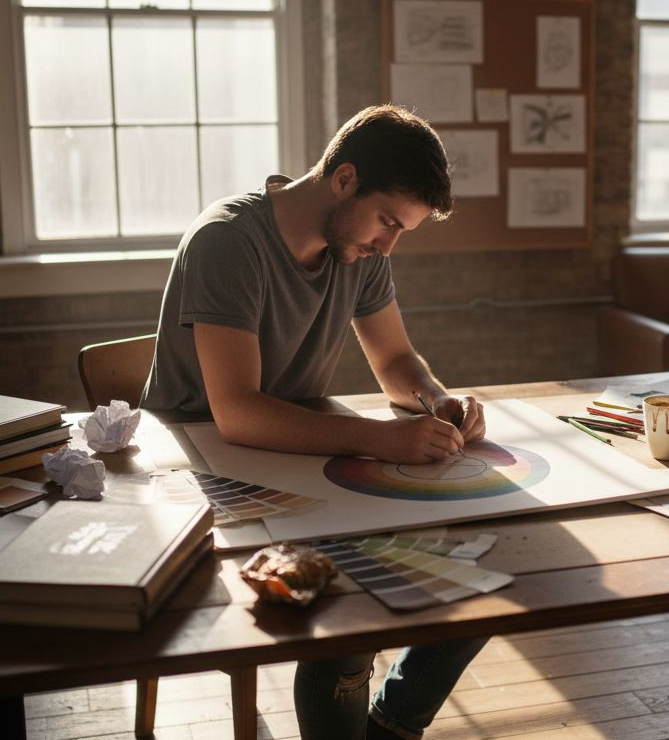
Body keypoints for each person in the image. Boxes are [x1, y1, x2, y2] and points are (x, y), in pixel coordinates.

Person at [141, 104, 487, 740]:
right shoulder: (228, 241)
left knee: (479, 573)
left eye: (401, 231)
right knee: (350, 612)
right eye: (387, 222)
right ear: (344, 178)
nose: (387, 244)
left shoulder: (358, 248)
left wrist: (435, 399)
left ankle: (391, 725)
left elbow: (395, 360)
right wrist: (381, 437)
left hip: (297, 459)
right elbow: (238, 412)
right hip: (197, 474)